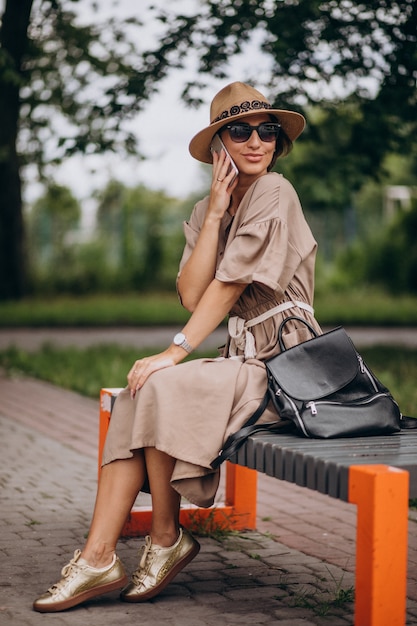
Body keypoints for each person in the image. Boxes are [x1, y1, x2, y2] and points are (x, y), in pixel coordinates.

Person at [33, 81, 321, 613]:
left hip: (285, 364)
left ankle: (154, 542)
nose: (256, 141)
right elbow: (192, 293)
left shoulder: (276, 191)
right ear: (219, 146)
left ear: (278, 141)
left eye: (267, 130)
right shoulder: (207, 207)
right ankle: (111, 553)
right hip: (242, 360)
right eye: (240, 130)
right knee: (140, 389)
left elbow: (229, 285)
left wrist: (175, 351)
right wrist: (213, 214)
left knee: (160, 378)